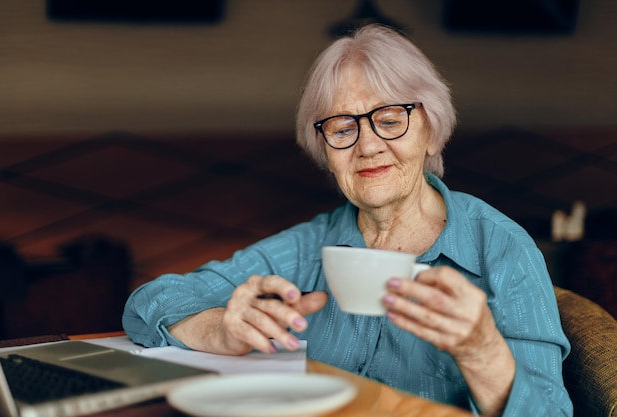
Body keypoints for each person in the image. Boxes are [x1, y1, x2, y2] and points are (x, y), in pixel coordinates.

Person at [123, 24, 573, 417]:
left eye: (390, 119)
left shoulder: (499, 248)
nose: (368, 146)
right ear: (325, 152)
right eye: (342, 128)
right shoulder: (310, 246)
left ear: (431, 130)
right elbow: (149, 302)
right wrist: (221, 329)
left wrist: (482, 352)